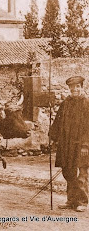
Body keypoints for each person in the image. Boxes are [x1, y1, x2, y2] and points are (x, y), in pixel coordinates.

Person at [49, 76, 89, 212]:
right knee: (68, 172)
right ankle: (71, 200)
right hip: (66, 144)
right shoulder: (66, 103)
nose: (75, 89)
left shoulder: (86, 103)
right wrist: (52, 137)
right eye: (72, 87)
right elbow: (58, 121)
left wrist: (85, 145)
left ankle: (82, 201)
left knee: (81, 173)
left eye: (77, 87)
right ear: (69, 88)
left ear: (82, 87)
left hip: (81, 145)